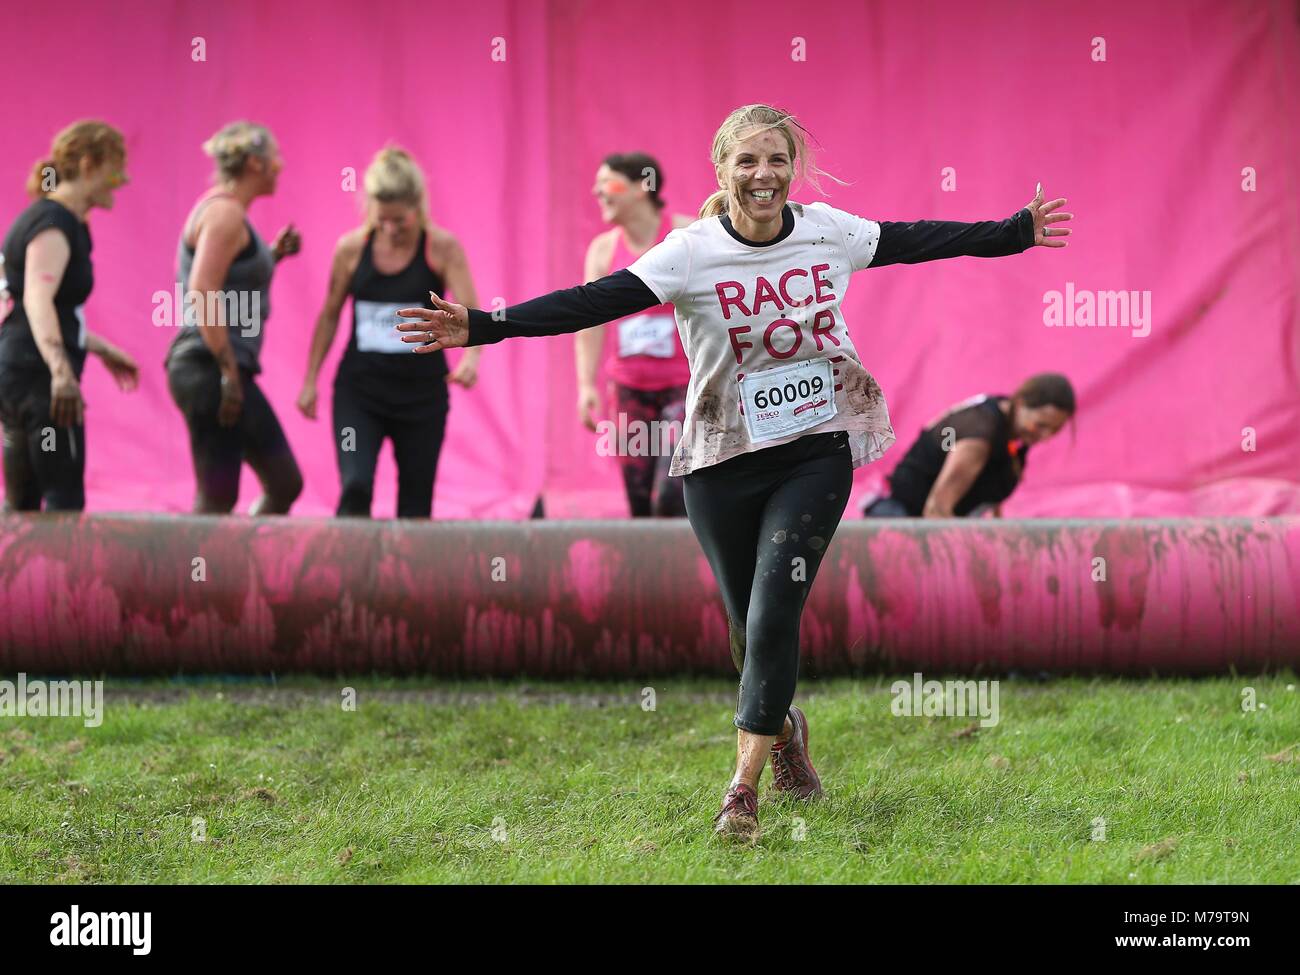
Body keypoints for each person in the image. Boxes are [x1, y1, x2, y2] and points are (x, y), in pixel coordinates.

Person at [395, 103, 1073, 841]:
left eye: (777, 160)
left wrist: (1013, 231)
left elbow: (916, 240)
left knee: (775, 608)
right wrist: (484, 325)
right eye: (747, 161)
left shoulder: (827, 231)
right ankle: (785, 731)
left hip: (815, 450)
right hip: (721, 460)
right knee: (748, 633)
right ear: (721, 171)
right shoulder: (689, 252)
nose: (763, 174)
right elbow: (594, 301)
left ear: (792, 168)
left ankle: (740, 792)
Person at [298, 146, 482, 517]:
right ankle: (351, 571)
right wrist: (310, 379)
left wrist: (472, 357)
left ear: (419, 206)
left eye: (401, 220)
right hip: (360, 392)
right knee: (355, 486)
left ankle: (406, 575)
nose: (392, 229)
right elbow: (330, 314)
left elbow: (470, 314)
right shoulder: (351, 249)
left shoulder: (441, 248)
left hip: (421, 397)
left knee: (415, 505)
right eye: (383, 219)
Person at [164, 121, 303, 515]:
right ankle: (193, 574)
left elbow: (228, 281)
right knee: (218, 494)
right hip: (208, 367)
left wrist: (270, 256)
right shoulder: (224, 214)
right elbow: (203, 290)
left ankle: (240, 570)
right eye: (275, 157)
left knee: (284, 482)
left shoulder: (229, 214)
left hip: (220, 368)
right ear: (255, 164)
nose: (281, 165)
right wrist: (227, 372)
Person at [0, 120, 139, 511]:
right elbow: (37, 300)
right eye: (116, 168)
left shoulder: (61, 222)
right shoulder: (54, 223)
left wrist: (100, 347)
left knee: (23, 503)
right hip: (38, 381)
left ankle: (15, 572)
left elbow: (48, 310)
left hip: (21, 372)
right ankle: (62, 574)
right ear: (88, 164)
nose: (123, 179)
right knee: (63, 501)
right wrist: (60, 372)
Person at [575, 153, 693, 516]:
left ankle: (683, 566)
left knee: (672, 493)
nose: (598, 192)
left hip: (683, 389)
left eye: (608, 184)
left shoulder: (687, 234)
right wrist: (586, 386)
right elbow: (589, 322)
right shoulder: (603, 250)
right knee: (639, 499)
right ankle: (651, 571)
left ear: (643, 186)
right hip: (628, 391)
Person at [864, 375, 1076, 518]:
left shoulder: (1011, 428)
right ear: (1020, 404)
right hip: (898, 519)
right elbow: (936, 509)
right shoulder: (978, 435)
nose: (1045, 436)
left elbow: (990, 490)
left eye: (1054, 430)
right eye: (1040, 425)